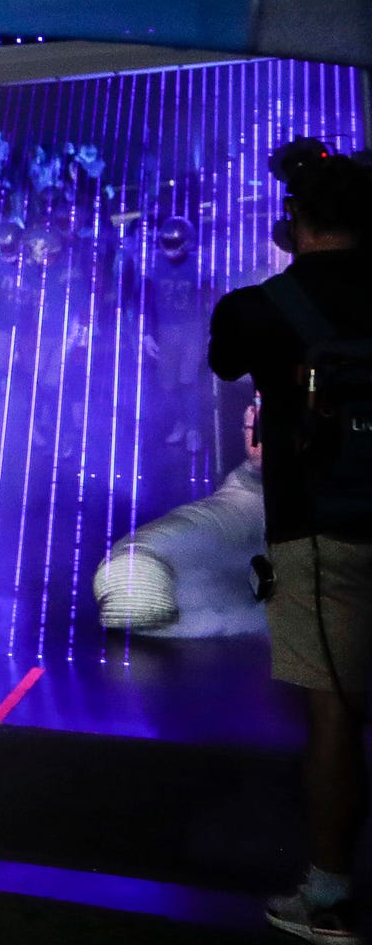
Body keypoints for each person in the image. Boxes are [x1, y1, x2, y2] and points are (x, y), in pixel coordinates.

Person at [208, 149, 372, 943]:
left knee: (334, 715)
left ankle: (330, 894)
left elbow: (224, 357)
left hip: (319, 534)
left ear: (294, 223)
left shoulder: (260, 306)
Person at [149, 216, 211, 453]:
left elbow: (208, 295)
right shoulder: (155, 263)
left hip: (191, 327)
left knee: (188, 380)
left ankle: (193, 428)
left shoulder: (198, 264)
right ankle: (182, 422)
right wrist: (147, 333)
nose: (171, 248)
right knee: (167, 384)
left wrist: (210, 329)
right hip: (165, 328)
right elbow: (146, 298)